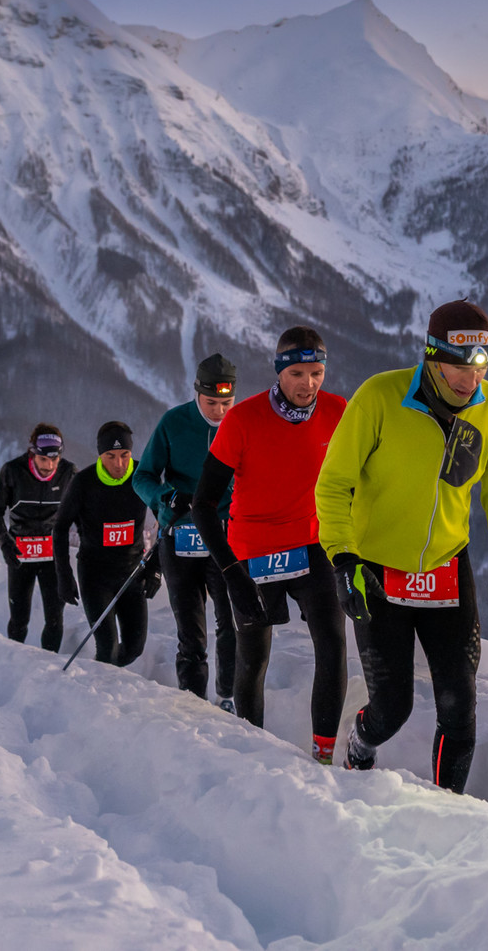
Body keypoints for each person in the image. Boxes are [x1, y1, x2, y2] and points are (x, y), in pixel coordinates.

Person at [316, 299, 488, 793]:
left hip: (445, 567)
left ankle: (446, 810)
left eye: (481, 367)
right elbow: (334, 484)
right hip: (376, 569)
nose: (471, 380)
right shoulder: (380, 397)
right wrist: (343, 559)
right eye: (459, 368)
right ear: (432, 358)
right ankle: (361, 743)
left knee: (460, 705)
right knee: (393, 707)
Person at [191, 327, 348, 764]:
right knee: (253, 658)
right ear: (279, 371)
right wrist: (231, 574)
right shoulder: (243, 419)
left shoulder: (338, 411)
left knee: (333, 645)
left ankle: (323, 755)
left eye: (316, 373)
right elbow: (203, 505)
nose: (308, 384)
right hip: (253, 550)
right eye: (297, 373)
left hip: (312, 542)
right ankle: (253, 752)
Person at [133, 354, 238, 709]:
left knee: (232, 622)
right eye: (211, 403)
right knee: (191, 631)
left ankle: (228, 696)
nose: (219, 411)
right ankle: (194, 704)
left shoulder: (242, 424)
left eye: (227, 403)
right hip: (180, 537)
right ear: (197, 393)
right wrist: (166, 497)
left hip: (224, 537)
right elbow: (143, 476)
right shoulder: (174, 422)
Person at [53, 422, 161, 666]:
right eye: (110, 456)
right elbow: (60, 528)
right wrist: (64, 576)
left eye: (125, 455)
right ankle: (101, 683)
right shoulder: (84, 482)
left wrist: (155, 568)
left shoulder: (142, 477)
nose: (119, 464)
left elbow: (166, 521)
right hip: (95, 575)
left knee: (134, 648)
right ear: (100, 454)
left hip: (132, 572)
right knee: (107, 647)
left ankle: (106, 675)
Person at [0, 424, 77, 652]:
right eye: (43, 459)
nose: (49, 466)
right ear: (32, 453)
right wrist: (4, 542)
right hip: (20, 554)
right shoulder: (12, 471)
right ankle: (14, 661)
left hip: (52, 555)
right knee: (19, 620)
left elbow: (82, 513)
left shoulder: (69, 472)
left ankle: (50, 665)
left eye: (54, 459)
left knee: (55, 618)